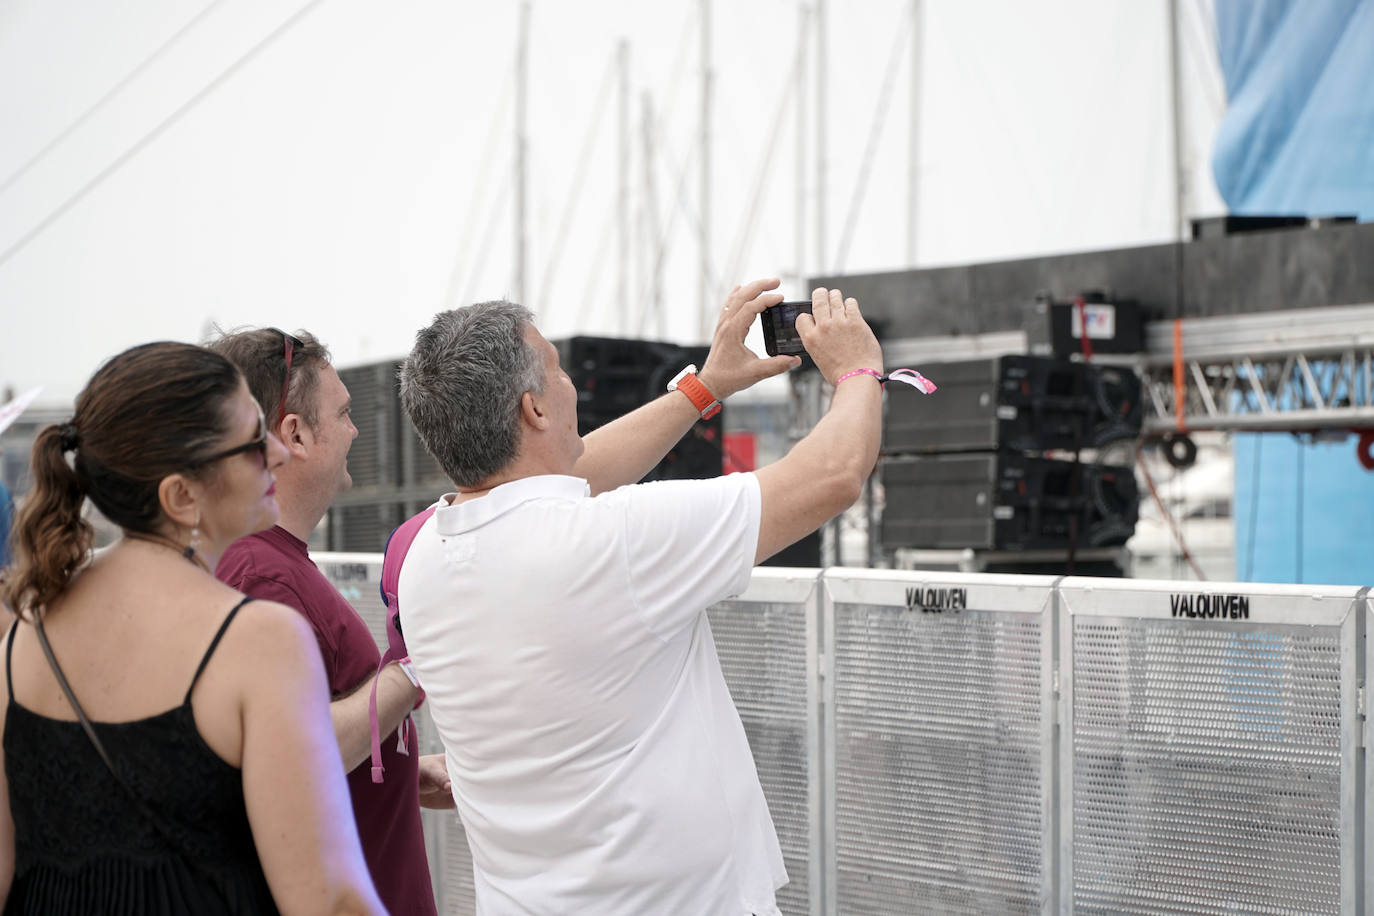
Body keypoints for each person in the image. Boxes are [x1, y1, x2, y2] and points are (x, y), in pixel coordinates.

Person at [396, 279, 883, 915]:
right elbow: (831, 475)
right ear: (534, 410)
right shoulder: (614, 543)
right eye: (558, 370)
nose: (572, 385)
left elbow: (560, 481)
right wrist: (859, 372)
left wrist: (704, 388)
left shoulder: (424, 557)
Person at [0, 342, 384, 915]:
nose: (278, 453)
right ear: (181, 496)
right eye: (255, 441)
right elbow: (329, 902)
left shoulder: (23, 635)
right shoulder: (261, 642)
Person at [208, 328, 451, 916]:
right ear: (294, 434)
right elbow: (298, 751)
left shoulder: (266, 563)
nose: (355, 430)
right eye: (342, 413)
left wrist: (396, 773)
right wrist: (416, 665)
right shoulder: (265, 576)